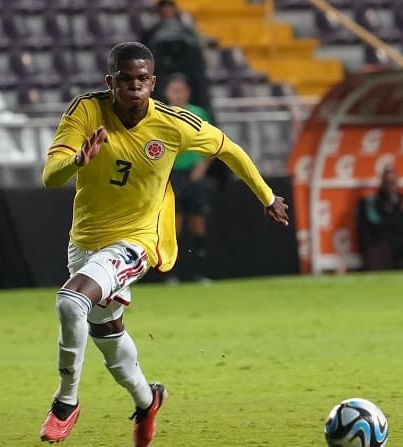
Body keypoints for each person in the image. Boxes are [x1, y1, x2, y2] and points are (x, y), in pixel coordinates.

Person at [39, 42, 289, 446]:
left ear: (153, 83)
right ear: (110, 82)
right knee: (106, 333)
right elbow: (50, 177)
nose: (134, 86)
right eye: (125, 79)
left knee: (71, 302)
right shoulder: (85, 110)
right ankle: (147, 400)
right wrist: (77, 161)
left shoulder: (174, 123)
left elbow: (229, 149)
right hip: (84, 241)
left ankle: (65, 402)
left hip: (138, 239)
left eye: (142, 79)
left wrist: (267, 196)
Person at [162, 73, 215, 284]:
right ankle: (172, 274)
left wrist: (202, 166)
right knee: (174, 224)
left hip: (194, 173)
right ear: (167, 93)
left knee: (197, 222)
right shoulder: (161, 115)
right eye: (174, 90)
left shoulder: (198, 114)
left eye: (181, 90)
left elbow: (213, 143)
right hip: (171, 175)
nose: (178, 95)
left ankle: (200, 272)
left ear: (188, 93)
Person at [139, 0, 212, 118]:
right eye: (164, 9)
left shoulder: (187, 31)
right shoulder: (151, 32)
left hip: (188, 73)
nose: (167, 12)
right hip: (160, 75)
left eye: (169, 9)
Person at [358, 166, 403, 270]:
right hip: (385, 241)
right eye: (388, 182)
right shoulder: (374, 202)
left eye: (394, 182)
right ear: (382, 183)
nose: (392, 186)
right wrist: (399, 212)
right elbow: (377, 227)